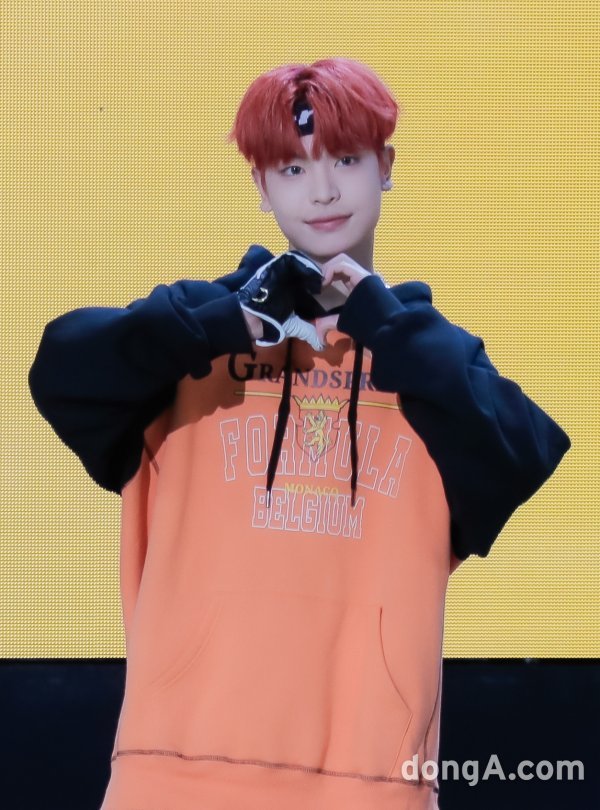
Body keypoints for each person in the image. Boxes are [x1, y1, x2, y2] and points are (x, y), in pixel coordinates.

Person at [28, 58, 570, 810]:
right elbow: (61, 371)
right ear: (261, 186)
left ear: (386, 167)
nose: (321, 191)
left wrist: (385, 324)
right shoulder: (186, 346)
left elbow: (524, 451)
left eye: (345, 160)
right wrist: (222, 320)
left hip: (368, 785)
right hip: (170, 772)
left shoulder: (431, 372)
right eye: (291, 168)